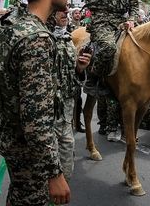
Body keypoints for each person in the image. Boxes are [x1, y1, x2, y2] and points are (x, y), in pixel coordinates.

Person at [0, 0, 71, 206]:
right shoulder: (35, 39)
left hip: (13, 139)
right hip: (31, 153)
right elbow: (36, 119)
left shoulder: (10, 23)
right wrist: (54, 172)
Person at [46, 10, 91, 177]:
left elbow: (72, 75)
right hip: (46, 117)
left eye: (67, 9)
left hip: (65, 114)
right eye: (60, 10)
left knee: (66, 170)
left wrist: (80, 68)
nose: (66, 12)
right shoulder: (40, 38)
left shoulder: (67, 38)